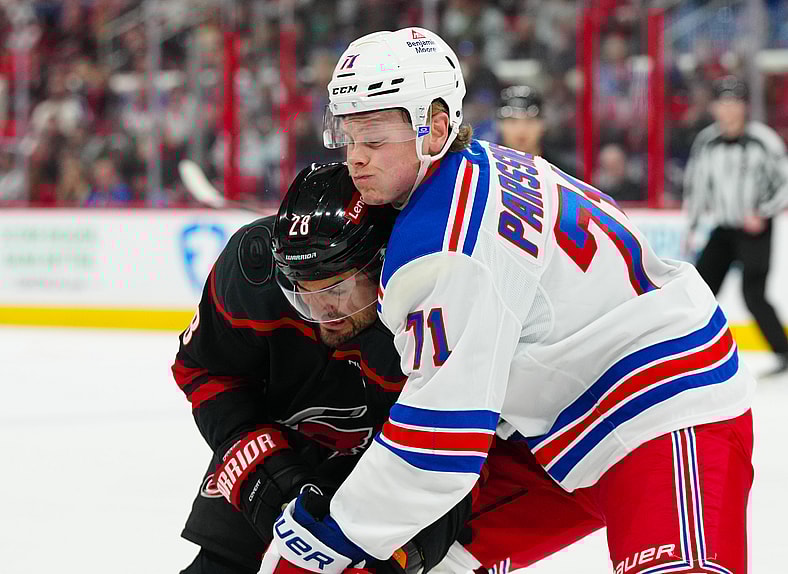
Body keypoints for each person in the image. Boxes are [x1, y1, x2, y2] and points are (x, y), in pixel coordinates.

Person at [266, 28, 756, 574]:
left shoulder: (440, 241)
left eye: (375, 139)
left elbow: (439, 445)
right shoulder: (472, 167)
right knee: (419, 560)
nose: (356, 160)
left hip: (664, 411)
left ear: (436, 128)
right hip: (561, 427)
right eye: (348, 137)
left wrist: (330, 533)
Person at [172, 163, 469, 574]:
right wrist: (266, 474)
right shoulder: (252, 276)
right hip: (280, 443)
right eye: (302, 292)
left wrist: (407, 551)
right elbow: (205, 374)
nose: (319, 310)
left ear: (379, 263)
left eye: (337, 289)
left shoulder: (430, 301)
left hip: (393, 468)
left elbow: (452, 452)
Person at [683, 75, 788, 377]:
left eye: (735, 102)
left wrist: (763, 212)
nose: (729, 109)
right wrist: (691, 226)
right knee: (701, 290)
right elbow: (695, 184)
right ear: (715, 107)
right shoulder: (707, 141)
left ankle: (783, 352)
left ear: (744, 107)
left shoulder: (763, 140)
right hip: (724, 227)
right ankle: (694, 353)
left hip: (755, 229)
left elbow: (784, 182)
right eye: (723, 102)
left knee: (753, 293)